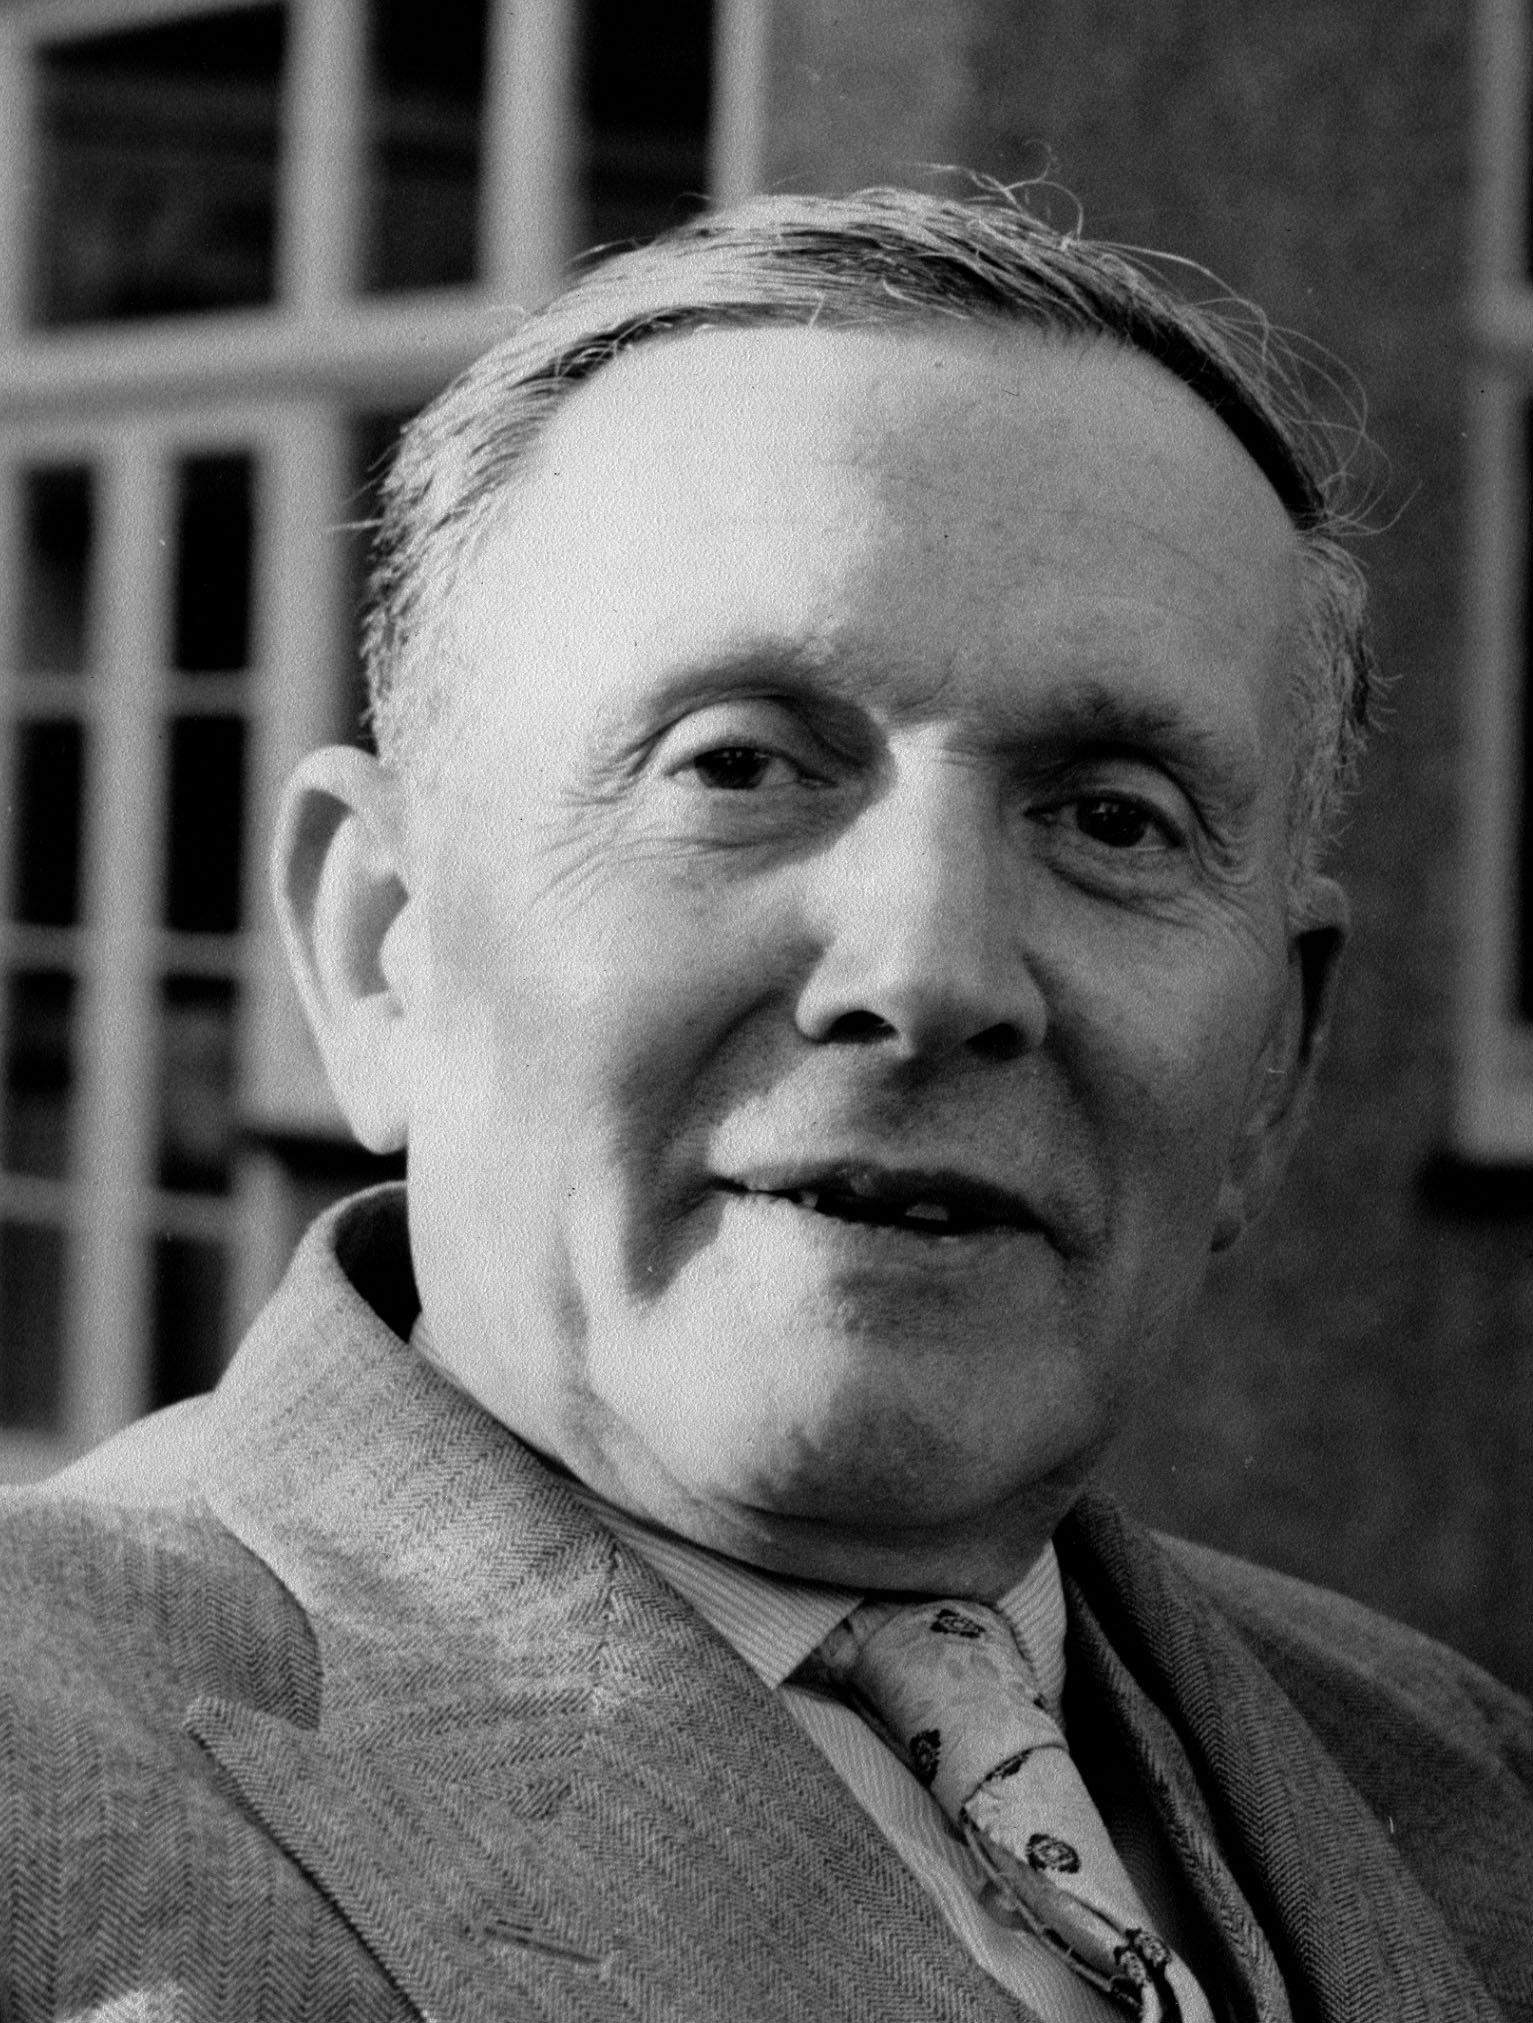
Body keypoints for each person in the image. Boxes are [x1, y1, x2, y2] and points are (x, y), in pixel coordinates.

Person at [2, 185, 1530, 2023]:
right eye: (735, 766)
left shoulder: (1456, 1776)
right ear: (383, 947)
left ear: (1275, 1062)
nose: (930, 972)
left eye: (1112, 820)